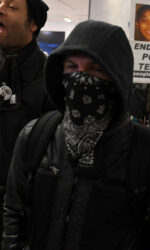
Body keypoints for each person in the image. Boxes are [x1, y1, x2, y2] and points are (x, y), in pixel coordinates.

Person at [3, 20, 150, 250]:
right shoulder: (36, 135)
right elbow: (14, 215)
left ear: (117, 78)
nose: (80, 78)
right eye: (71, 67)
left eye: (95, 69)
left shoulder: (149, 153)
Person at [0, 0, 51, 242]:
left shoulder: (51, 77)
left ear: (33, 24)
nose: (0, 8)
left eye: (12, 6)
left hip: (26, 210)